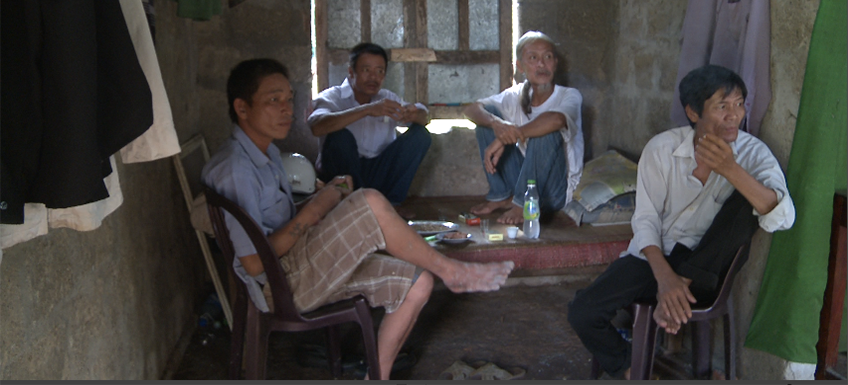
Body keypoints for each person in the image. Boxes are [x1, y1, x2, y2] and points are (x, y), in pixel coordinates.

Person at [202, 59, 514, 380]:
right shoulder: (236, 170)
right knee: (370, 201)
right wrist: (317, 208)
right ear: (242, 108)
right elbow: (254, 263)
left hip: (299, 262)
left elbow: (279, 221)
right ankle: (452, 271)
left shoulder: (264, 153)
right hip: (280, 284)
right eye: (273, 100)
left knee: (418, 283)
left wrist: (325, 198)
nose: (287, 109)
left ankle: (376, 377)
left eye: (289, 99)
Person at [567, 65, 795, 379]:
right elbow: (645, 220)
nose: (734, 115)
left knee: (749, 198)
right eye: (722, 106)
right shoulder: (662, 149)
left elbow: (784, 218)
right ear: (693, 112)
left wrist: (731, 170)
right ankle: (633, 370)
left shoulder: (753, 154)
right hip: (652, 259)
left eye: (740, 104)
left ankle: (679, 292)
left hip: (707, 268)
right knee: (583, 311)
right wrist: (666, 280)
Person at [463, 31, 584, 225]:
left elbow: (556, 120)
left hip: (554, 190)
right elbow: (471, 109)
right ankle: (502, 196)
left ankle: (523, 203)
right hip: (521, 181)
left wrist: (505, 138)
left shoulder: (570, 95)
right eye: (533, 58)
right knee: (489, 117)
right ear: (520, 66)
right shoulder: (516, 95)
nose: (541, 64)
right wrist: (497, 125)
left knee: (546, 129)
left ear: (555, 63)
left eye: (548, 57)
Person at [307, 43, 431, 209]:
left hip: (378, 172)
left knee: (421, 135)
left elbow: (425, 116)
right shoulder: (332, 97)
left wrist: (414, 114)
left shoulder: (387, 98)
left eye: (380, 71)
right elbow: (316, 126)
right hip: (345, 175)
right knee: (339, 137)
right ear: (351, 72)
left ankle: (392, 205)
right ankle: (352, 205)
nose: (373, 77)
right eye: (366, 70)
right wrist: (367, 110)